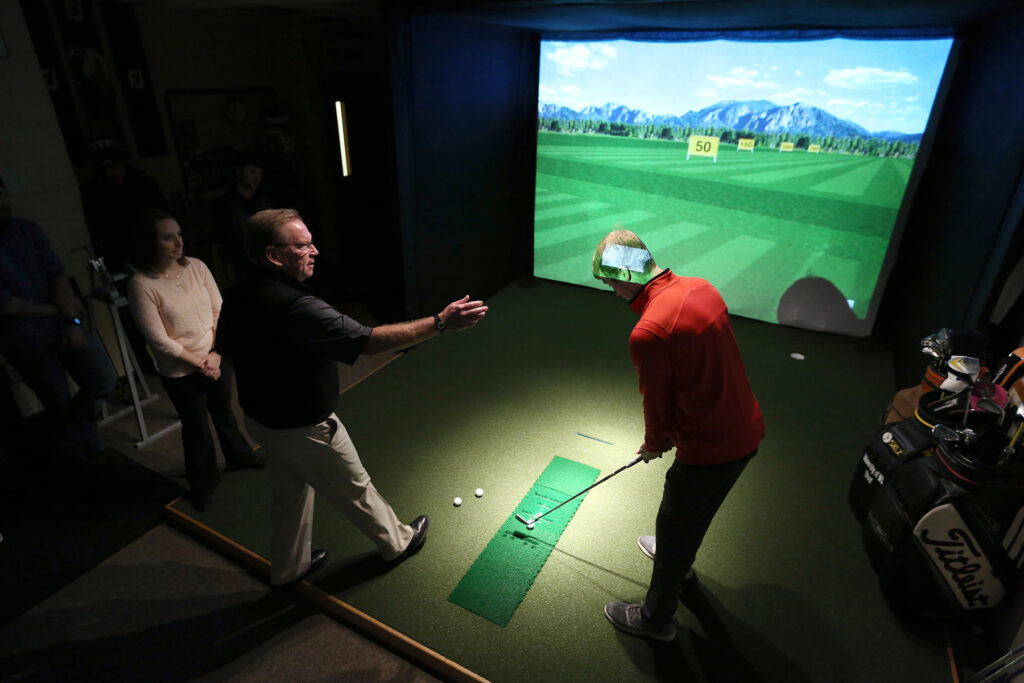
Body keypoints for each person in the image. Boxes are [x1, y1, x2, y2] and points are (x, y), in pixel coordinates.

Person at [216, 208, 487, 585]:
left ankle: (288, 568)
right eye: (303, 245)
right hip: (304, 426)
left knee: (289, 493)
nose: (315, 251)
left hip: (261, 421)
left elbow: (227, 351)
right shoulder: (300, 307)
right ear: (274, 256)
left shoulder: (237, 292)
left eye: (311, 242)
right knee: (355, 487)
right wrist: (441, 322)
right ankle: (399, 542)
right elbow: (368, 343)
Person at [594, 227, 766, 642]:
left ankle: (655, 620)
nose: (611, 291)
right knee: (698, 513)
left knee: (673, 522)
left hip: (710, 447)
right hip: (747, 430)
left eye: (609, 282)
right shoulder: (700, 288)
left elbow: (658, 402)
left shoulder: (648, 332)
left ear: (623, 277)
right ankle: (681, 561)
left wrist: (655, 444)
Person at [127, 209, 265, 511]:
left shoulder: (198, 267)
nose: (178, 242)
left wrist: (215, 355)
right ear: (151, 243)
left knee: (224, 412)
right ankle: (203, 482)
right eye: (168, 237)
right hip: (180, 369)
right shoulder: (141, 284)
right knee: (196, 427)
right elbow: (158, 339)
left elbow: (220, 311)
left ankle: (239, 456)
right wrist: (200, 362)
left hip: (214, 357)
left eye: (179, 235)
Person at [0, 174, 118, 470]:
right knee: (57, 399)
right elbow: (8, 306)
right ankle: (90, 449)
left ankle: (73, 440)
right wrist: (61, 312)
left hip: (62, 321)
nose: (3, 202)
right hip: (23, 339)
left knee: (104, 377)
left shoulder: (25, 230)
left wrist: (73, 321)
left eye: (3, 194)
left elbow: (58, 277)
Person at [215, 150, 273, 278]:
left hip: (272, 260)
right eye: (251, 171)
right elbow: (227, 240)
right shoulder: (226, 205)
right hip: (244, 267)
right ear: (239, 172)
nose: (256, 177)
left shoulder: (267, 198)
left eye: (260, 173)